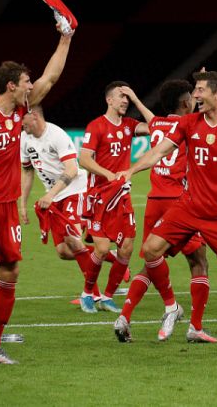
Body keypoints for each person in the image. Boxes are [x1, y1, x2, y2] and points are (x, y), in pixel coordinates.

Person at [113, 70, 217, 359]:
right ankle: (173, 306)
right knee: (151, 249)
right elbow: (158, 152)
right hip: (189, 207)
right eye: (195, 90)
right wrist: (131, 169)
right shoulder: (188, 123)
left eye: (201, 90)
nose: (196, 95)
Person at [0, 25, 73, 368]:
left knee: (10, 274)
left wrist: (65, 38)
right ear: (12, 85)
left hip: (9, 206)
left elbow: (52, 77)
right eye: (26, 81)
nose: (31, 85)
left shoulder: (22, 111)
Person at [114, 79, 216, 343]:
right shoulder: (190, 124)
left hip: (154, 201)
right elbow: (207, 113)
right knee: (199, 261)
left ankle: (124, 316)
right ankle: (192, 323)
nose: (196, 99)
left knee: (152, 259)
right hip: (179, 202)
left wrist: (136, 100)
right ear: (185, 103)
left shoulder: (158, 125)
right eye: (193, 98)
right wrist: (204, 87)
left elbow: (153, 117)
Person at [78, 82, 153, 313]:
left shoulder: (130, 125)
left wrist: (137, 99)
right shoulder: (97, 126)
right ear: (109, 100)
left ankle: (108, 296)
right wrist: (108, 174)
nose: (125, 101)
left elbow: (156, 127)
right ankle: (87, 293)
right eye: (121, 97)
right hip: (99, 196)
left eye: (127, 99)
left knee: (127, 248)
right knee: (100, 248)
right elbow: (84, 159)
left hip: (122, 196)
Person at [18, 106, 91, 301]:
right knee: (64, 252)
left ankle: (91, 294)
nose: (19, 122)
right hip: (55, 196)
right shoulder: (24, 139)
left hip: (74, 190)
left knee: (73, 240)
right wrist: (23, 204)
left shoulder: (57, 135)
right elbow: (27, 172)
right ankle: (110, 256)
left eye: (22, 118)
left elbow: (72, 169)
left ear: (34, 116)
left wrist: (49, 195)